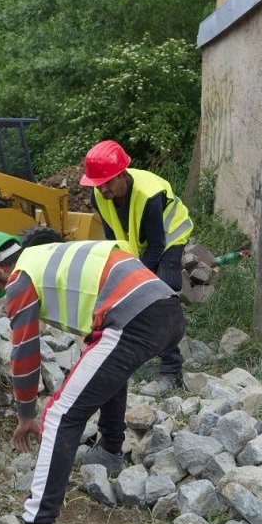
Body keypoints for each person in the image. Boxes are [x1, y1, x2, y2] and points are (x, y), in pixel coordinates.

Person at [0, 232, 185, 524]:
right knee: (105, 365)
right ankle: (111, 451)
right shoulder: (46, 255)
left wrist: (26, 414)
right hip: (164, 308)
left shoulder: (20, 277)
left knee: (57, 415)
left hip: (135, 317)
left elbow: (24, 350)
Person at [79, 140, 193, 397]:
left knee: (162, 293)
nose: (102, 189)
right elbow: (114, 240)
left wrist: (137, 282)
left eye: (107, 182)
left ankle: (171, 371)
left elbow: (156, 245)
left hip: (170, 237)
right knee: (130, 293)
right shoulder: (99, 195)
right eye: (98, 183)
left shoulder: (149, 194)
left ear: (122, 175)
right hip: (139, 243)